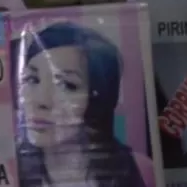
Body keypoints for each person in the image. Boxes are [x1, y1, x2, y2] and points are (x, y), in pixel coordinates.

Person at [12, 22, 153, 186]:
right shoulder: (9, 170)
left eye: (66, 85)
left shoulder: (138, 169)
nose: (41, 101)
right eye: (32, 79)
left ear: (96, 98)